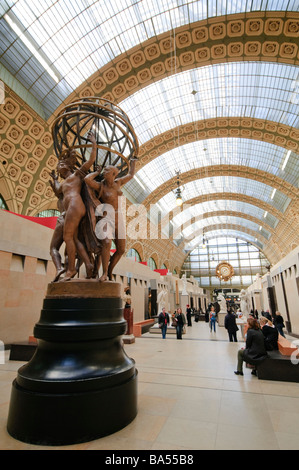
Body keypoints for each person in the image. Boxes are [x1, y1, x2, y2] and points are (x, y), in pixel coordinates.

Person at [54, 131, 97, 281]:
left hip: (74, 206)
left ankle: (71, 270)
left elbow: (91, 160)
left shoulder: (76, 175)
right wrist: (54, 180)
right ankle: (88, 263)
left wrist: (93, 143)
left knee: (67, 237)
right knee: (74, 238)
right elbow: (57, 189)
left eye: (60, 165)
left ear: (66, 166)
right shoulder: (64, 182)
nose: (58, 168)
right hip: (74, 208)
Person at [85, 157, 136, 281]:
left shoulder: (118, 182)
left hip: (119, 217)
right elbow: (87, 179)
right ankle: (104, 272)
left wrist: (133, 162)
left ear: (113, 174)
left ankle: (110, 271)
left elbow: (130, 175)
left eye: (107, 171)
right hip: (106, 217)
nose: (104, 172)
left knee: (121, 249)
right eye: (104, 170)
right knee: (107, 243)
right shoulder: (100, 186)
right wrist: (96, 172)